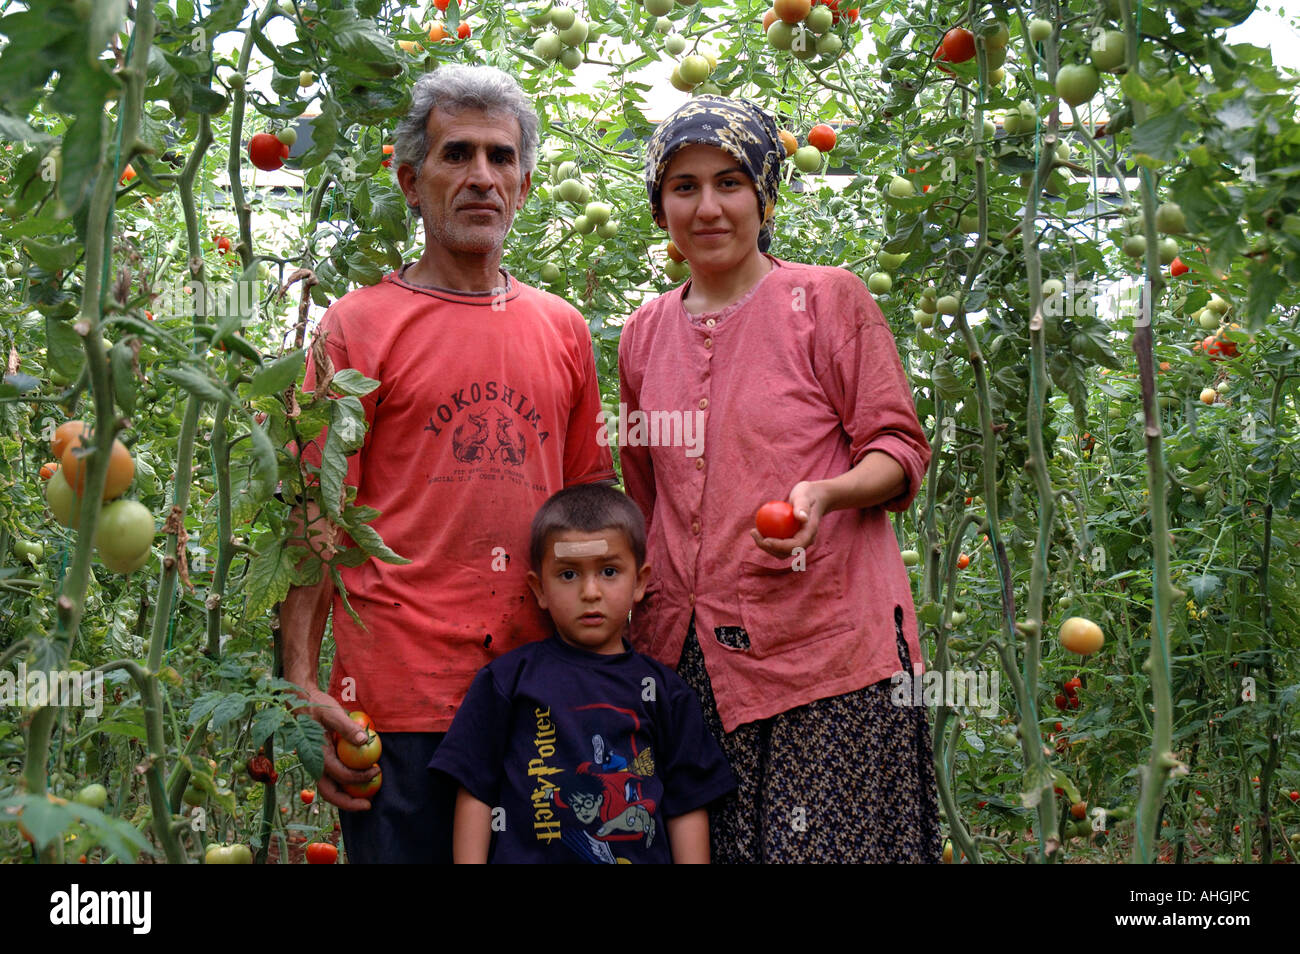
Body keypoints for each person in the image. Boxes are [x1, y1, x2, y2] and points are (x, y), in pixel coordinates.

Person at [282, 65, 615, 864]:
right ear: (410, 179)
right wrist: (301, 680)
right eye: (455, 154)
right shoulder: (355, 328)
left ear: (525, 186)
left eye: (501, 159)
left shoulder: (564, 331)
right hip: (396, 701)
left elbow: (587, 512)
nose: (480, 177)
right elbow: (316, 518)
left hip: (540, 688)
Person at [617, 96, 942, 863]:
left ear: (765, 194)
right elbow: (644, 495)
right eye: (683, 186)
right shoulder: (642, 334)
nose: (707, 206)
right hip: (689, 658)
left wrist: (825, 494)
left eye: (730, 182)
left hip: (822, 653)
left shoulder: (827, 299)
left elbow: (900, 448)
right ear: (660, 203)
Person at [430, 483, 735, 863]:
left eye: (609, 571)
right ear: (539, 588)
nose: (590, 591)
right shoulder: (509, 681)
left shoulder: (664, 693)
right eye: (569, 575)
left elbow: (687, 803)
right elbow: (474, 788)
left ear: (639, 581)